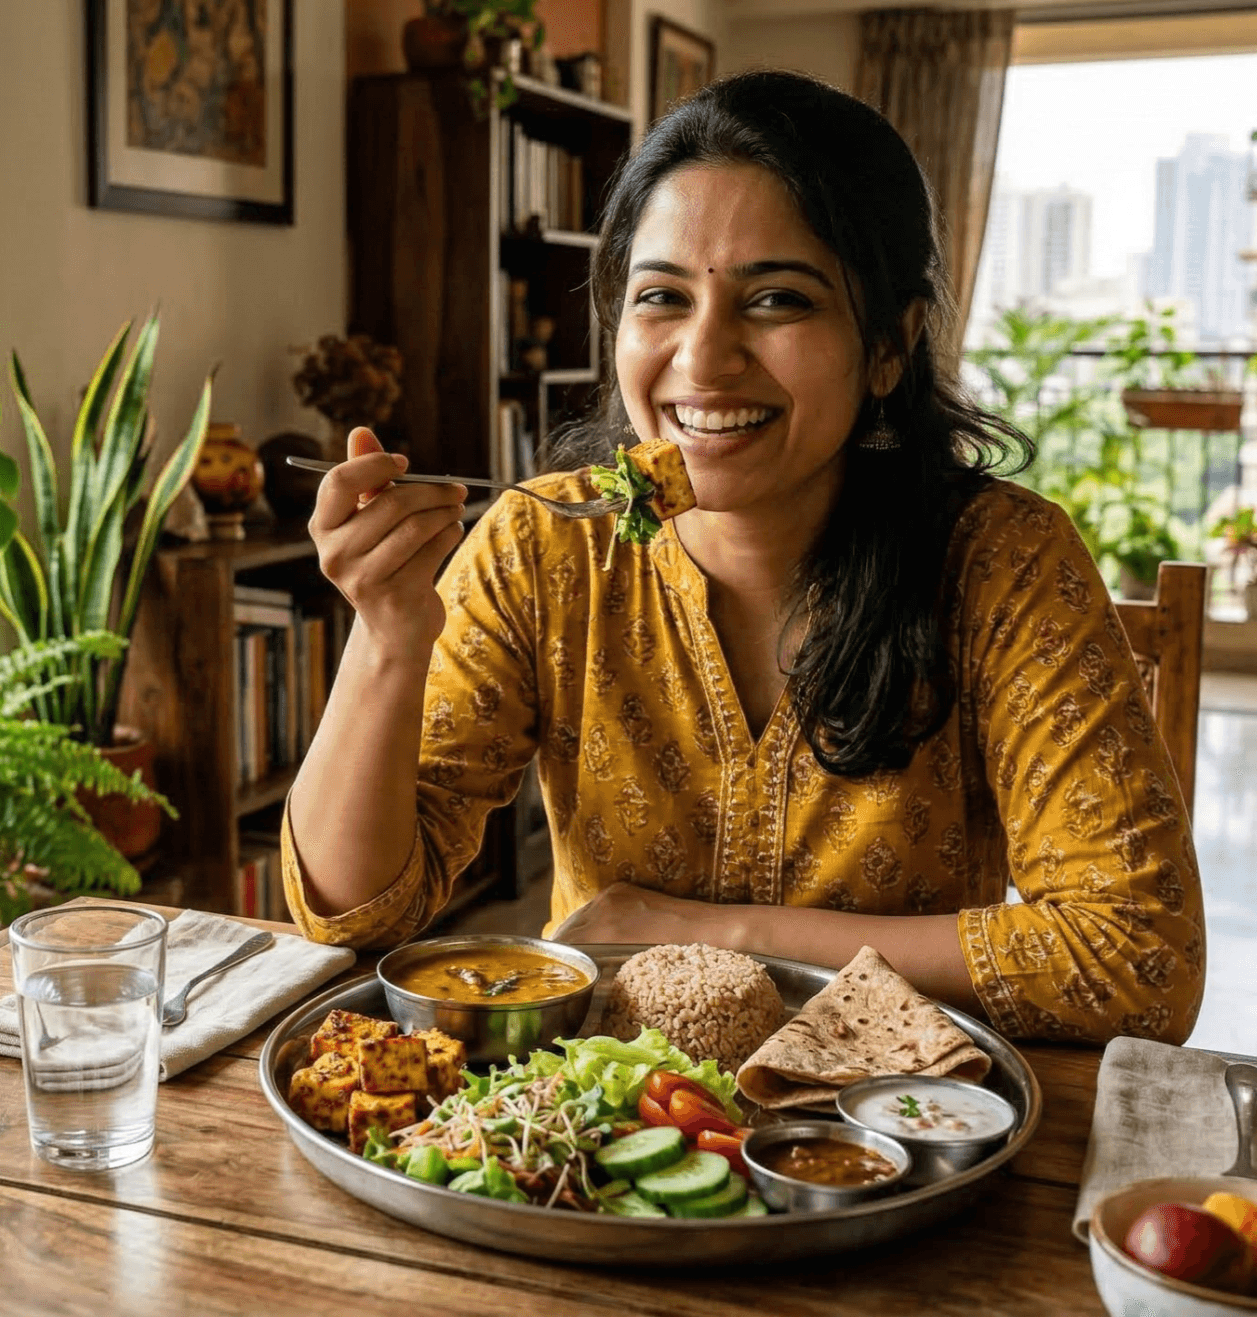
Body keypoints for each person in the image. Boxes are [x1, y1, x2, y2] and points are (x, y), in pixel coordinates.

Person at [282, 70, 1203, 1044]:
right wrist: (386, 637)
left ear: (889, 345)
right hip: (603, 1124)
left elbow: (1139, 959)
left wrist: (709, 933)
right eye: (661, 297)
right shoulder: (546, 543)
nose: (703, 356)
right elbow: (358, 912)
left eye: (775, 299)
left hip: (896, 1126)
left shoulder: (1003, 562)